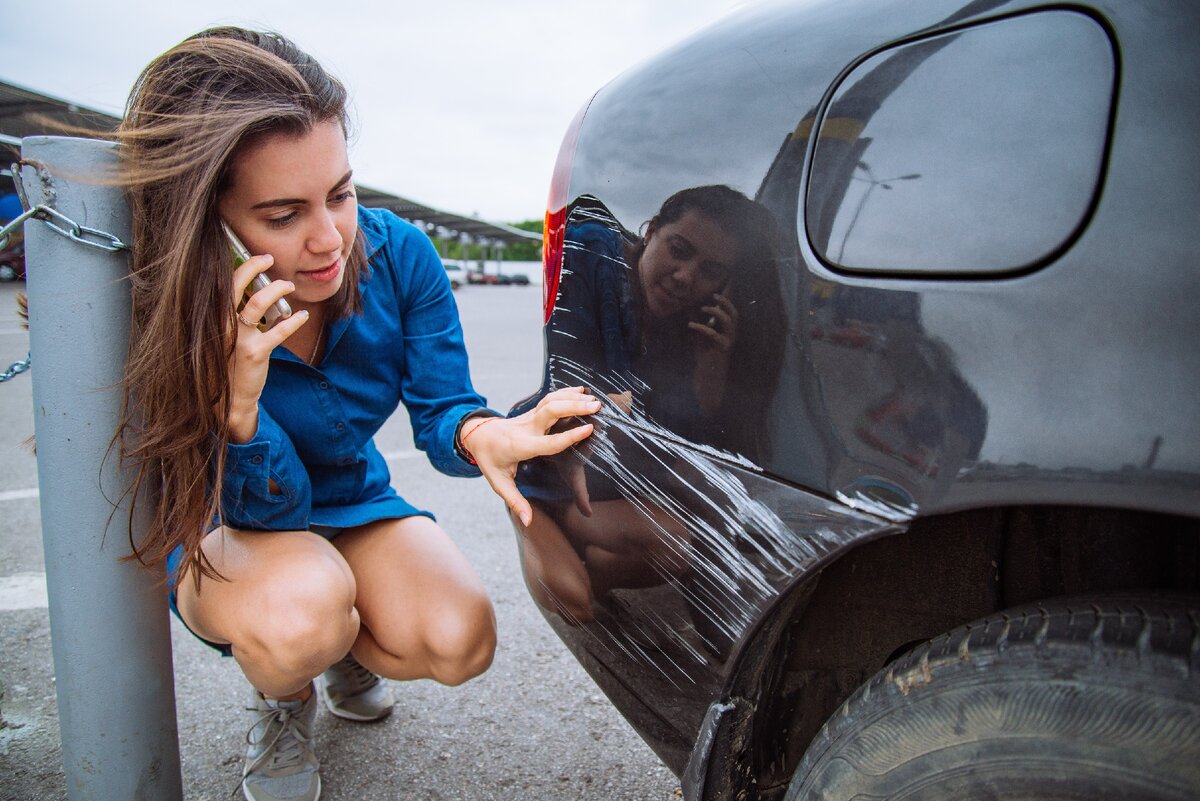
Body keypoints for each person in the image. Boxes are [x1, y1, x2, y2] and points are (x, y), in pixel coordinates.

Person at [113, 27, 597, 801]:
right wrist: (237, 402)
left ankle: (337, 642)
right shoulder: (169, 306)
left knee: (460, 636)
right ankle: (285, 692)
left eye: (340, 192)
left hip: (350, 500)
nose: (329, 237)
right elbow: (261, 506)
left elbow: (443, 410)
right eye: (281, 214)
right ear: (209, 221)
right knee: (302, 612)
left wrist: (485, 433)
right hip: (231, 523)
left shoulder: (399, 254)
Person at [514, 186, 785, 624]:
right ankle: (527, 502)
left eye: (710, 271)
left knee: (680, 543)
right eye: (678, 250)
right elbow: (571, 377)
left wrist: (713, 368)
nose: (684, 277)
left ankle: (585, 539)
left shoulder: (687, 327)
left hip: (614, 478)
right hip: (555, 466)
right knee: (573, 602)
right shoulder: (597, 263)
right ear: (651, 231)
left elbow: (700, 444)